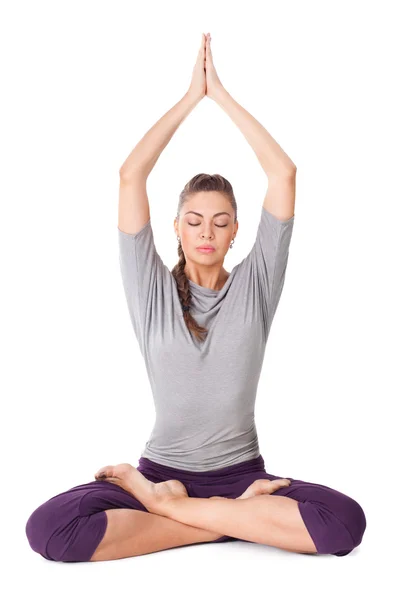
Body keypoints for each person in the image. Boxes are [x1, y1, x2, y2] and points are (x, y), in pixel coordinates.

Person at [25, 33, 366, 562]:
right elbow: (130, 175)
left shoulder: (255, 285)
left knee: (345, 524)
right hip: (167, 472)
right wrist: (189, 99)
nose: (207, 232)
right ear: (177, 229)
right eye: (194, 221)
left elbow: (283, 173)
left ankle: (166, 510)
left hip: (241, 477)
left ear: (236, 233)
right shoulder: (151, 288)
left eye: (221, 222)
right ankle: (221, 523)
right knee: (50, 530)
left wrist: (221, 97)